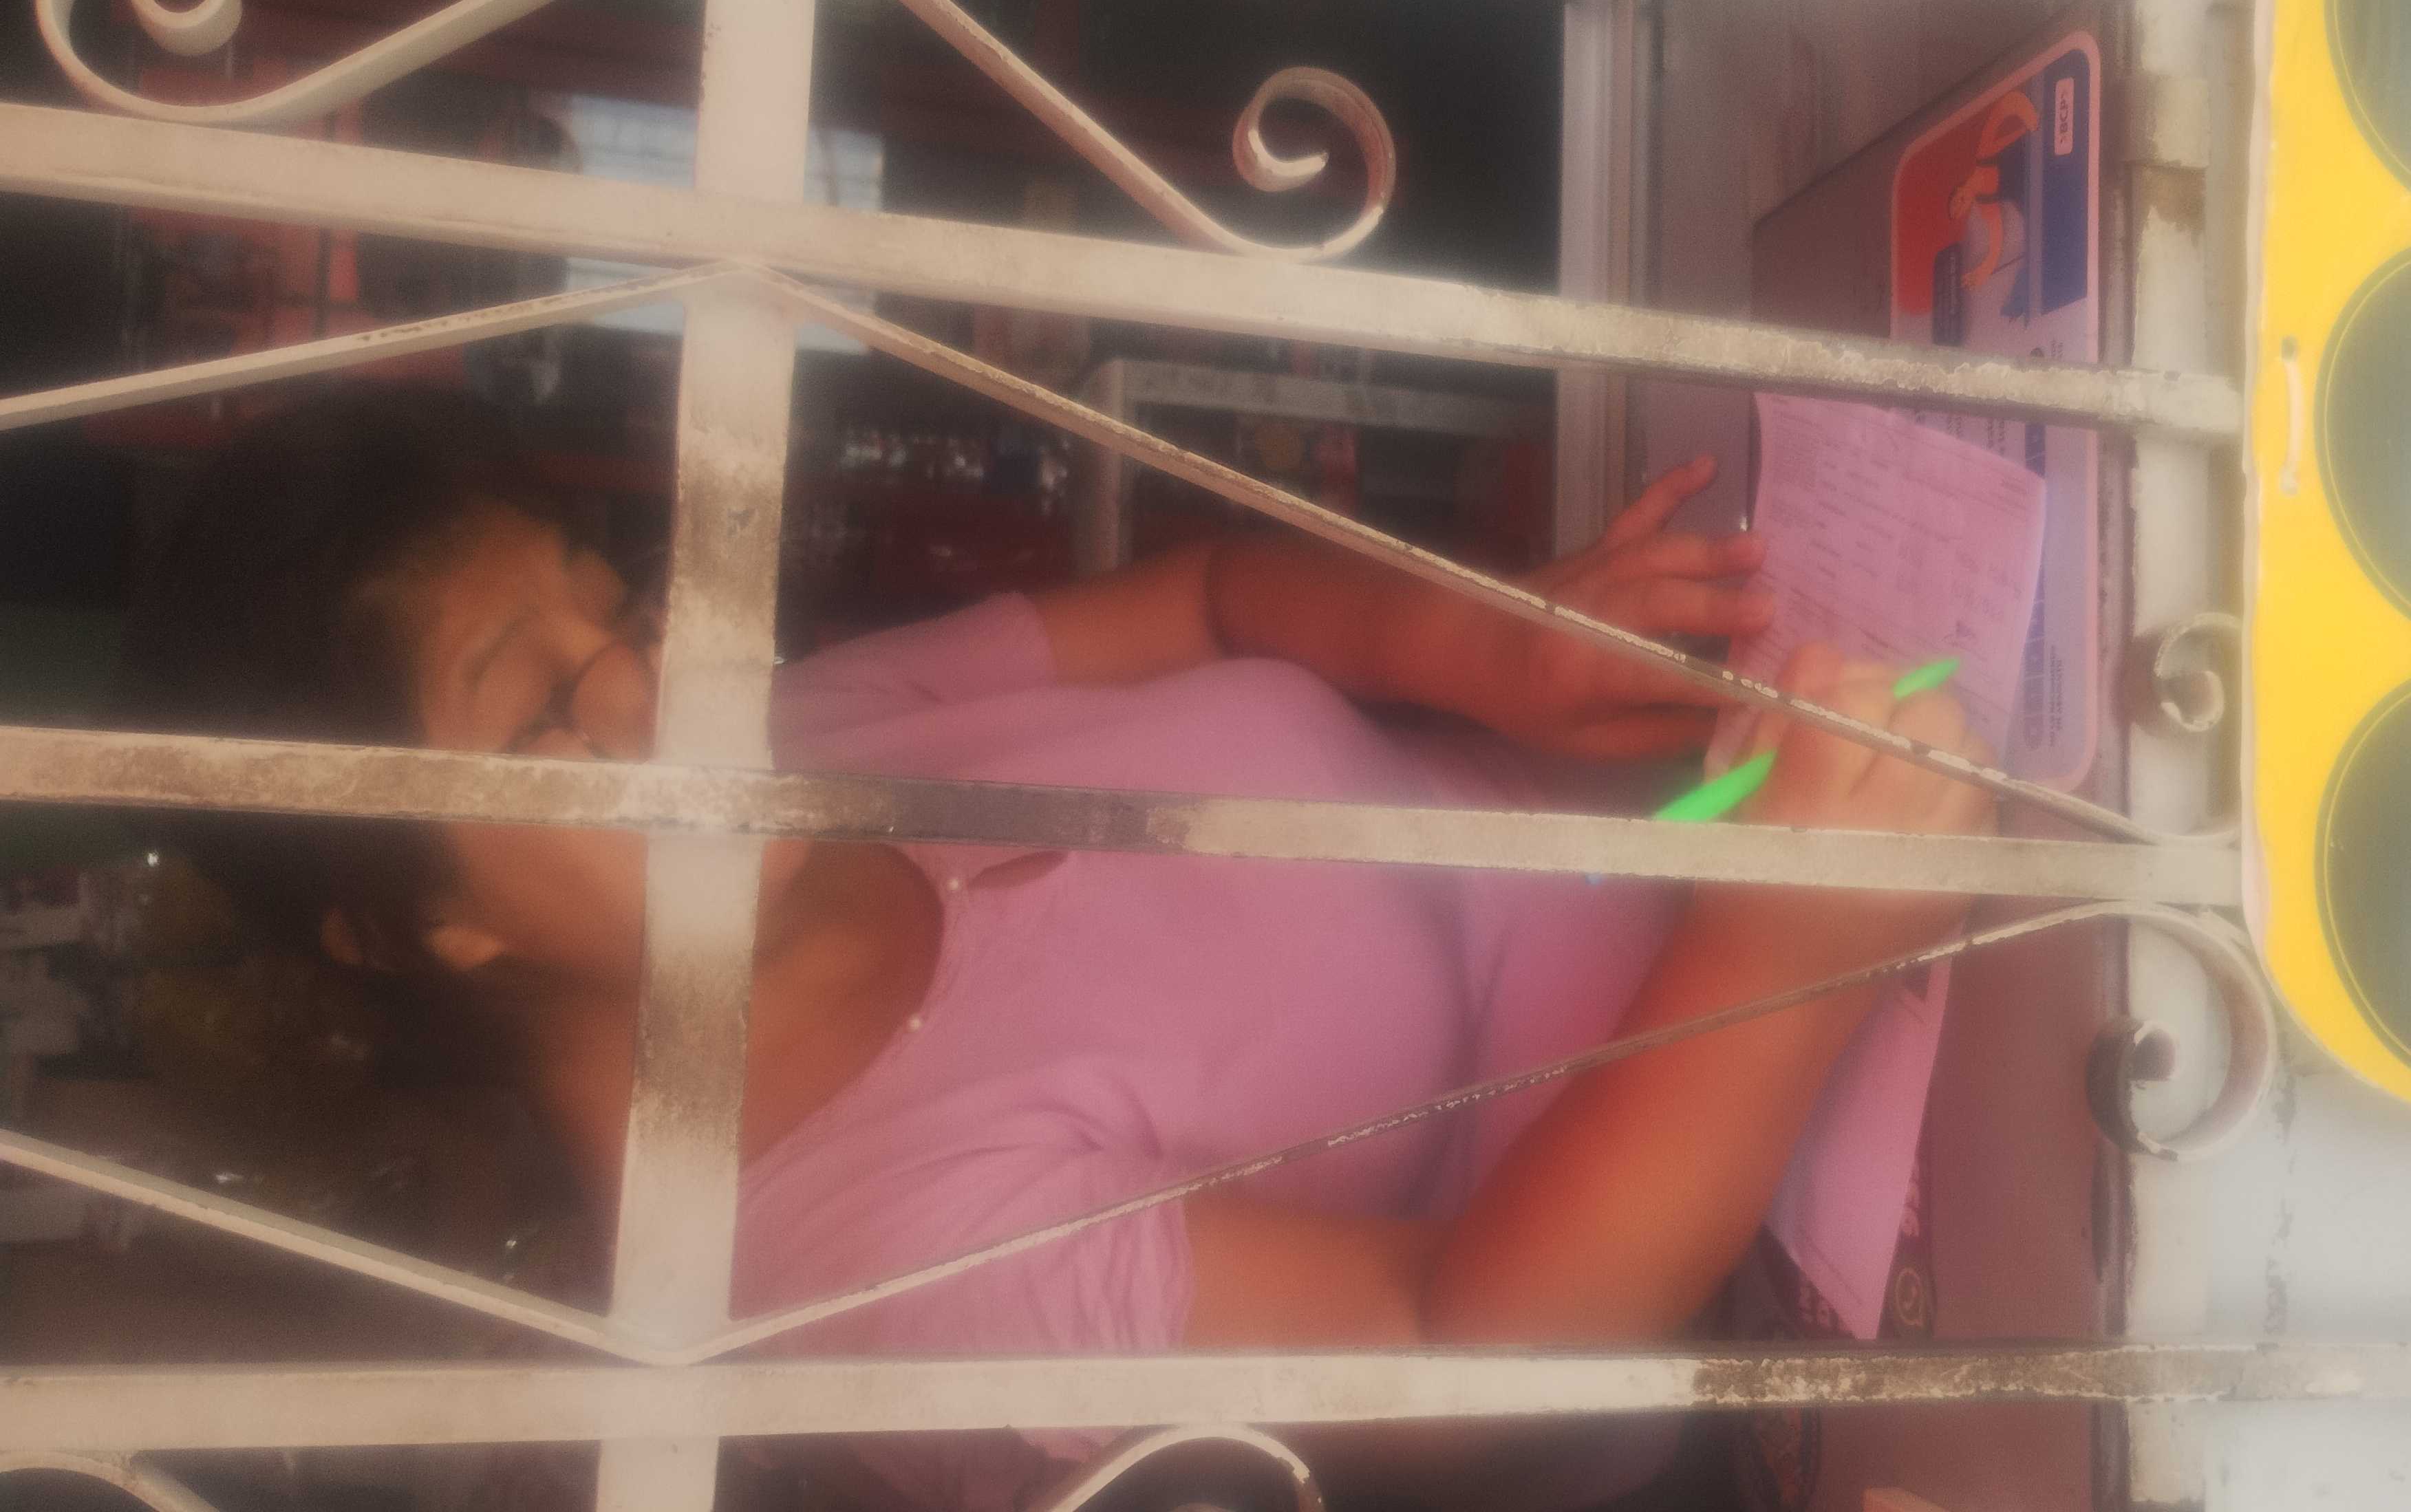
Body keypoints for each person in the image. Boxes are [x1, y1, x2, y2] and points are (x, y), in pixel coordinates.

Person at [114, 391, 1992, 1511]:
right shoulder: (846, 1271)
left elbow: (1204, 598)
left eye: (618, 615)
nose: (651, 695)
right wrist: (1787, 937)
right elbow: (1470, 1348)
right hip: (1839, 1175)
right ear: (416, 922)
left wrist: (1491, 645)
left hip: (1783, 806)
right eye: (539, 711)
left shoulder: (811, 743)